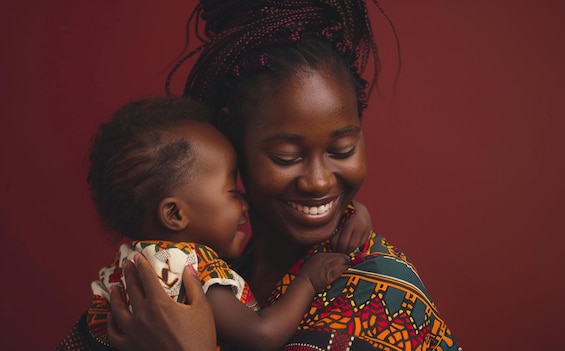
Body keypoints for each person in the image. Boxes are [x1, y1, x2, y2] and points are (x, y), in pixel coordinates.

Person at [108, 0, 460, 350]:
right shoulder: (213, 266)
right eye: (286, 156)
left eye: (342, 150)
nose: (319, 181)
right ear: (232, 135)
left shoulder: (381, 295)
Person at [56, 96, 373, 351]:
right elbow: (262, 335)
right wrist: (309, 280)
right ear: (176, 215)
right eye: (232, 192)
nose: (245, 203)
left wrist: (346, 209)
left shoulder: (136, 262)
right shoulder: (188, 271)